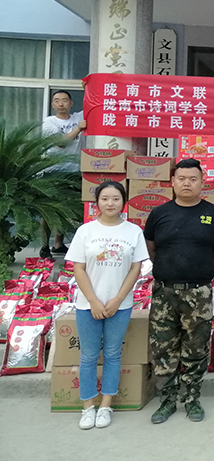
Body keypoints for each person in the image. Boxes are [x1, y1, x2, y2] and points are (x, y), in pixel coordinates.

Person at [145, 158, 214, 424]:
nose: (187, 183)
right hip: (164, 292)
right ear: (173, 182)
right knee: (164, 349)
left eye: (193, 179)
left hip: (198, 293)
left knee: (196, 348)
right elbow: (151, 248)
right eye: (181, 179)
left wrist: (202, 269)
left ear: (202, 182)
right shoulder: (159, 214)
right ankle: (167, 401)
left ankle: (192, 399)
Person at [66, 181, 148, 430]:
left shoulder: (133, 231)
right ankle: (87, 407)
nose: (110, 203)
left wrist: (117, 300)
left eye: (115, 198)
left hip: (120, 306)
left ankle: (105, 406)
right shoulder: (85, 231)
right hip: (87, 305)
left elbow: (135, 269)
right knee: (89, 356)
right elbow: (78, 268)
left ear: (124, 202)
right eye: (104, 198)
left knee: (113, 354)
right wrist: (93, 300)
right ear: (97, 203)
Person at [41, 90, 86, 258]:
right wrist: (79, 128)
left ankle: (58, 244)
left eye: (65, 100)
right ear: (52, 104)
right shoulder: (49, 122)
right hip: (53, 171)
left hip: (74, 171)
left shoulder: (78, 117)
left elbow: (95, 102)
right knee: (49, 209)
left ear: (71, 104)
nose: (61, 103)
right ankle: (44, 246)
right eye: (57, 100)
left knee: (68, 208)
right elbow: (60, 143)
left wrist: (89, 86)